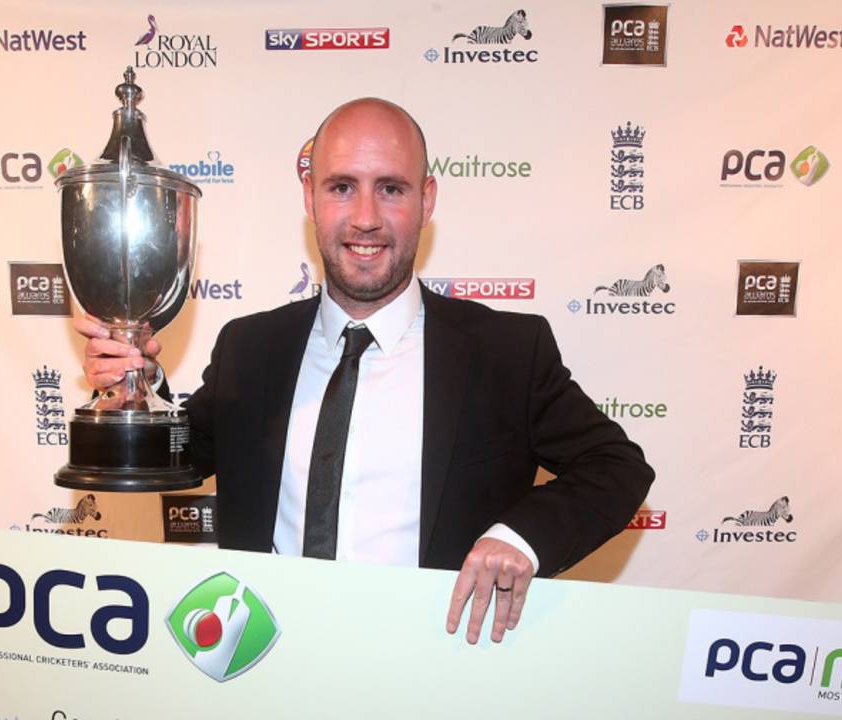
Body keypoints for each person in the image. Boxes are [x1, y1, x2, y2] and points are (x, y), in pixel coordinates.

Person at [77, 98, 654, 645]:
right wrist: (133, 389)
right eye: (342, 187)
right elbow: (180, 454)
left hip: (435, 676)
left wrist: (517, 538)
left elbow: (617, 468)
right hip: (263, 666)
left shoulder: (505, 351)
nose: (365, 218)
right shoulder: (251, 347)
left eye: (392, 189)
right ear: (310, 197)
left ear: (427, 200)